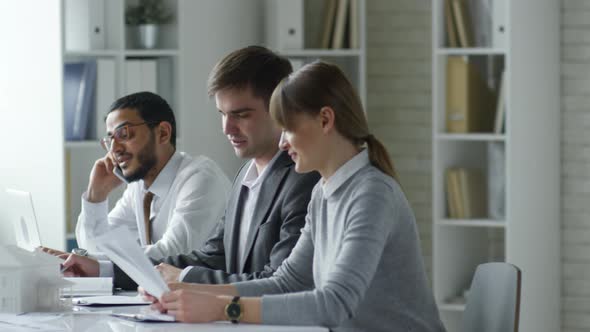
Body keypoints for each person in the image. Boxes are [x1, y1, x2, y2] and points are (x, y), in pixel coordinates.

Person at [145, 62, 446, 332]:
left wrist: (224, 307)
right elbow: (287, 282)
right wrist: (184, 291)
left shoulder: (372, 194)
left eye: (288, 128)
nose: (282, 142)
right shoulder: (323, 192)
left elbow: (334, 304)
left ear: (325, 120)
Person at [61, 46, 320, 287]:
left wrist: (183, 277)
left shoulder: (302, 179)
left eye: (241, 115)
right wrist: (104, 270)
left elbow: (279, 283)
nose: (227, 129)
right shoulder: (245, 177)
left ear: (280, 110)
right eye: (222, 114)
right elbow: (211, 258)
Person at [57, 92, 231, 267]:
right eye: (110, 140)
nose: (114, 149)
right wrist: (96, 197)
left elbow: (172, 256)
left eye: (124, 134)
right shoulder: (139, 188)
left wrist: (94, 261)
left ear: (163, 133)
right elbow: (95, 248)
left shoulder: (200, 179)